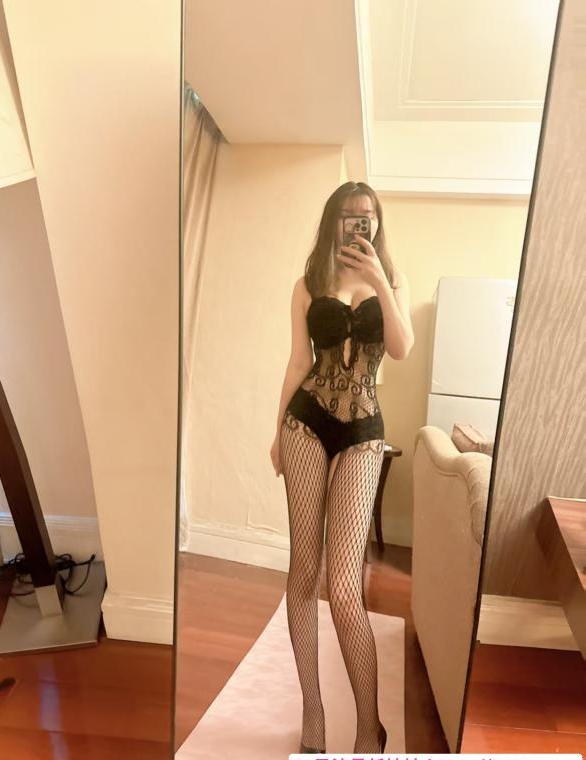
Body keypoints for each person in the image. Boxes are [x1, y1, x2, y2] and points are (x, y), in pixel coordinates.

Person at [269, 181, 414, 754]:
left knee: (345, 585)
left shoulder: (392, 280)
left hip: (362, 433)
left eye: (367, 217)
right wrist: (276, 432)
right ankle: (313, 713)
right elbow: (297, 362)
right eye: (349, 216)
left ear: (377, 224)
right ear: (332, 221)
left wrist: (378, 279)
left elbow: (401, 349)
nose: (359, 224)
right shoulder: (308, 283)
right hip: (305, 424)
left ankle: (368, 727)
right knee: (303, 570)